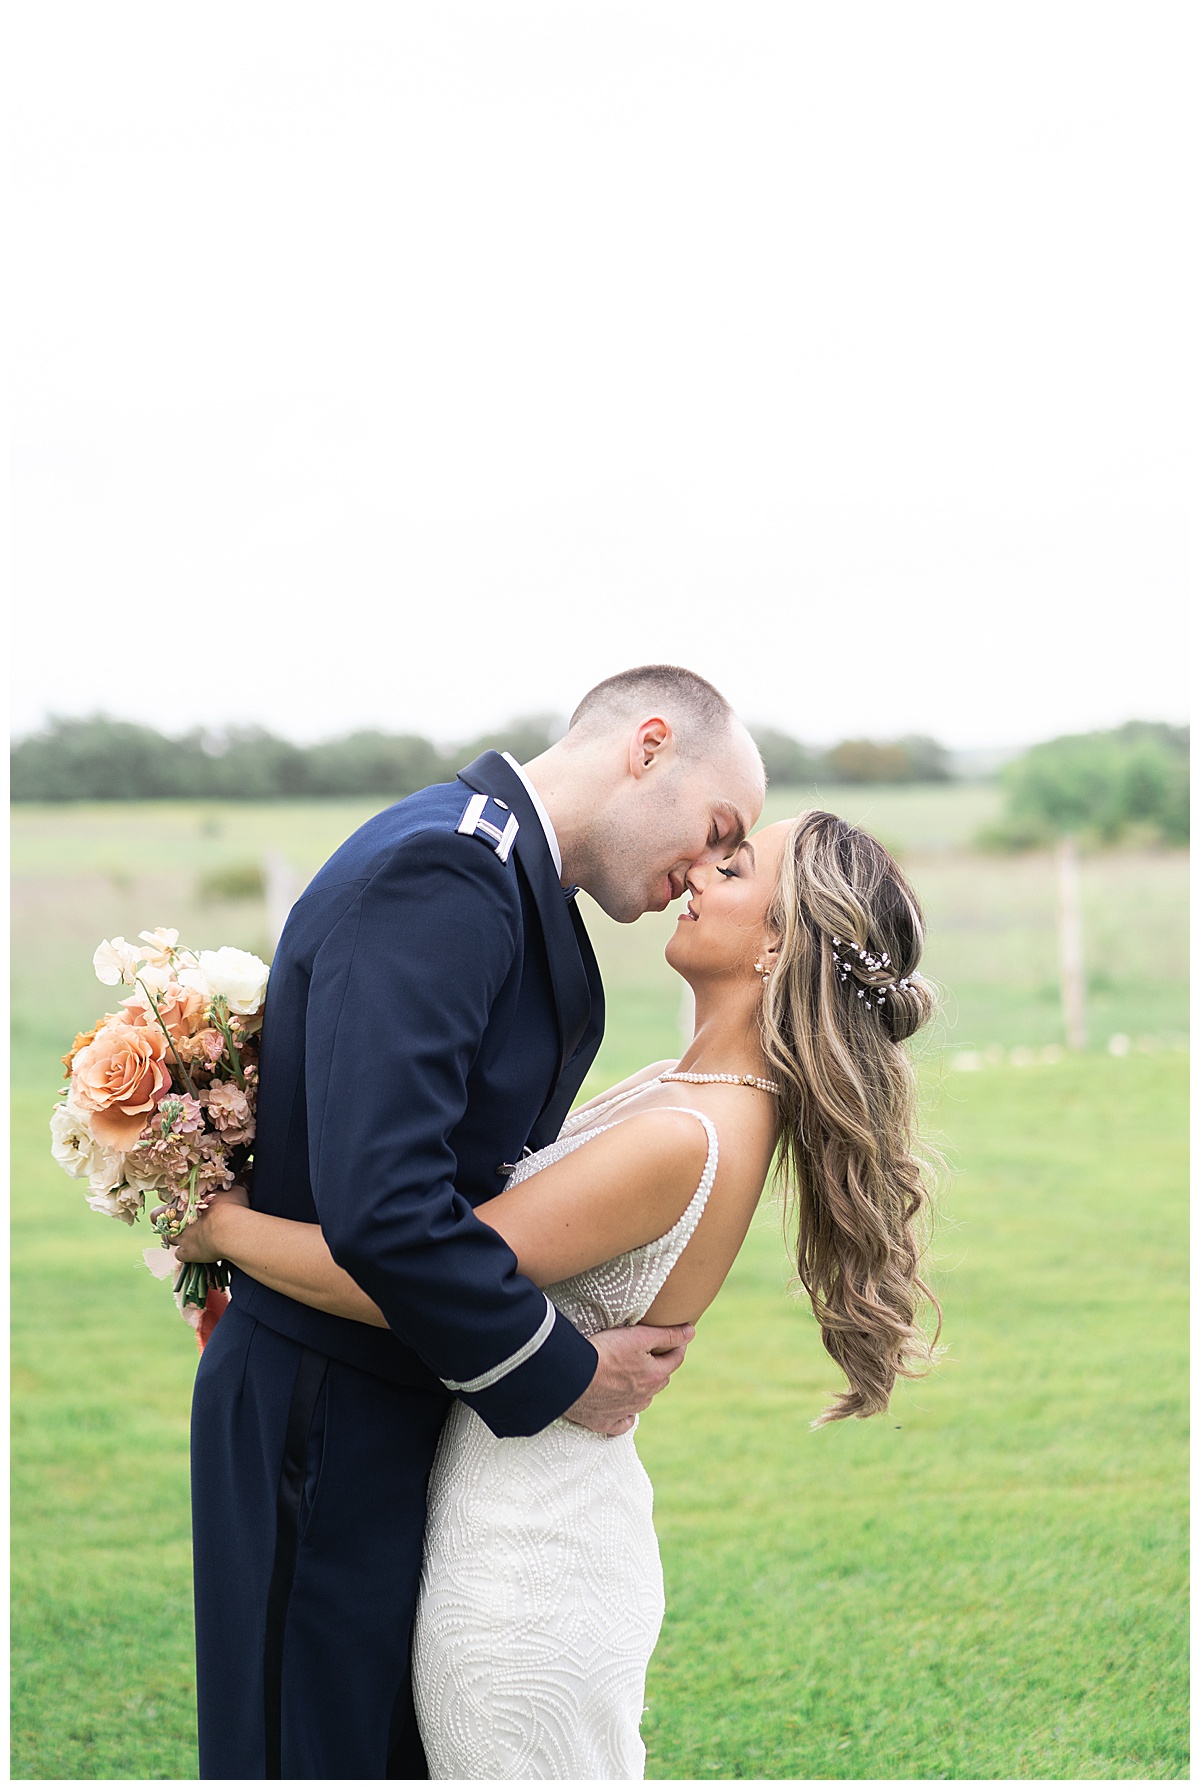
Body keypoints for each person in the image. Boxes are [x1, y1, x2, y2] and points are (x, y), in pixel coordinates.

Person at [181, 804, 940, 1779]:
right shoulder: (681, 1087)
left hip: (527, 1571)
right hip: (496, 1523)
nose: (699, 873)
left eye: (736, 866)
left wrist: (219, 1225)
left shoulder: (689, 1134)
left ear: (780, 941)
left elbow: (418, 1275)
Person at [187, 664, 767, 1779]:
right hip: (324, 1398)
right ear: (648, 745)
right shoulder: (444, 868)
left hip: (407, 1396)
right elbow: (389, 1207)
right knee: (306, 1747)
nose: (707, 867)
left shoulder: (518, 887)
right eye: (717, 827)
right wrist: (560, 1369)